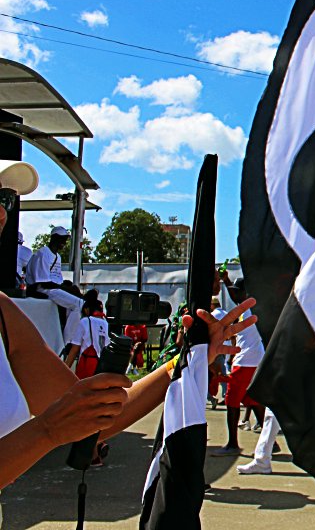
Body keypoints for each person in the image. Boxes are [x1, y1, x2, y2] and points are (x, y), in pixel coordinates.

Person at [0, 159, 261, 489]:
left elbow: (93, 421)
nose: (1, 214)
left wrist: (183, 362)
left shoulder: (6, 315)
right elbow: (61, 423)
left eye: (3, 200)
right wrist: (47, 431)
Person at [211, 277, 265, 456]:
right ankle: (269, 441)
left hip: (245, 361)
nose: (234, 293)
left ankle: (233, 444)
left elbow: (236, 298)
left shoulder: (249, 308)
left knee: (231, 402)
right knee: (252, 400)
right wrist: (226, 281)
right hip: (253, 360)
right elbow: (236, 297)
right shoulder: (249, 309)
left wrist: (226, 282)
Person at [24, 226, 85, 341]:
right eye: (62, 239)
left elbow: (57, 279)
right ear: (54, 238)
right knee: (78, 304)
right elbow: (43, 282)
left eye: (65, 240)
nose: (64, 242)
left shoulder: (58, 257)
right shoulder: (43, 254)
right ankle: (67, 341)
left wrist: (65, 286)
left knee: (76, 300)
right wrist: (63, 288)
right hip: (42, 289)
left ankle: (67, 334)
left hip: (52, 288)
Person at [62, 299, 109, 379]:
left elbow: (74, 350)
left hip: (87, 366)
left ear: (86, 310)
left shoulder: (85, 321)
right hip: (103, 367)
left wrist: (64, 371)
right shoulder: (107, 323)